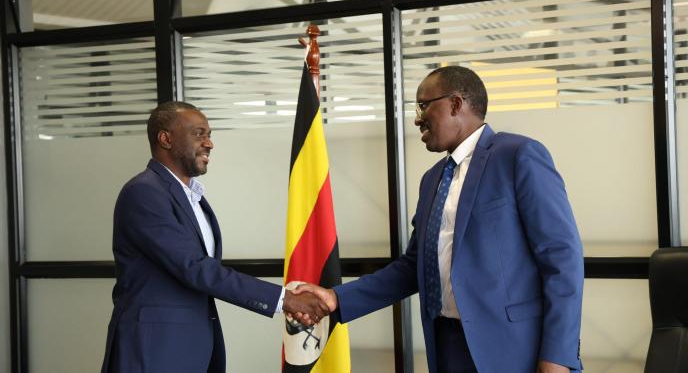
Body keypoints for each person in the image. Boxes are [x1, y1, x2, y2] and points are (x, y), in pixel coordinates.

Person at [294, 66, 584, 373]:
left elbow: (562, 260)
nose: (417, 118)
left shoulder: (518, 156)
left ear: (456, 104)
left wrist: (558, 357)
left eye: (423, 105)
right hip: (447, 346)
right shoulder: (431, 180)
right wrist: (336, 299)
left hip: (514, 350)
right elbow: (412, 267)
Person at [101, 101, 329, 373]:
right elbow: (194, 268)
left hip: (194, 348)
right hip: (153, 351)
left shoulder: (194, 198)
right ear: (165, 138)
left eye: (209, 135)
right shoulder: (144, 193)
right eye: (199, 134)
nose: (209, 144)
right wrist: (284, 299)